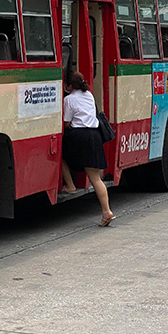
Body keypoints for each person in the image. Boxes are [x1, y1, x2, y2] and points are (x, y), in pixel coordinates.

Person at [61, 71, 115, 226]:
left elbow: (67, 123)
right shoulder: (89, 95)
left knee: (61, 156)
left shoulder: (69, 99)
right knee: (96, 178)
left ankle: (70, 186)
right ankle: (106, 211)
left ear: (69, 86)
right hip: (94, 136)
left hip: (79, 136)